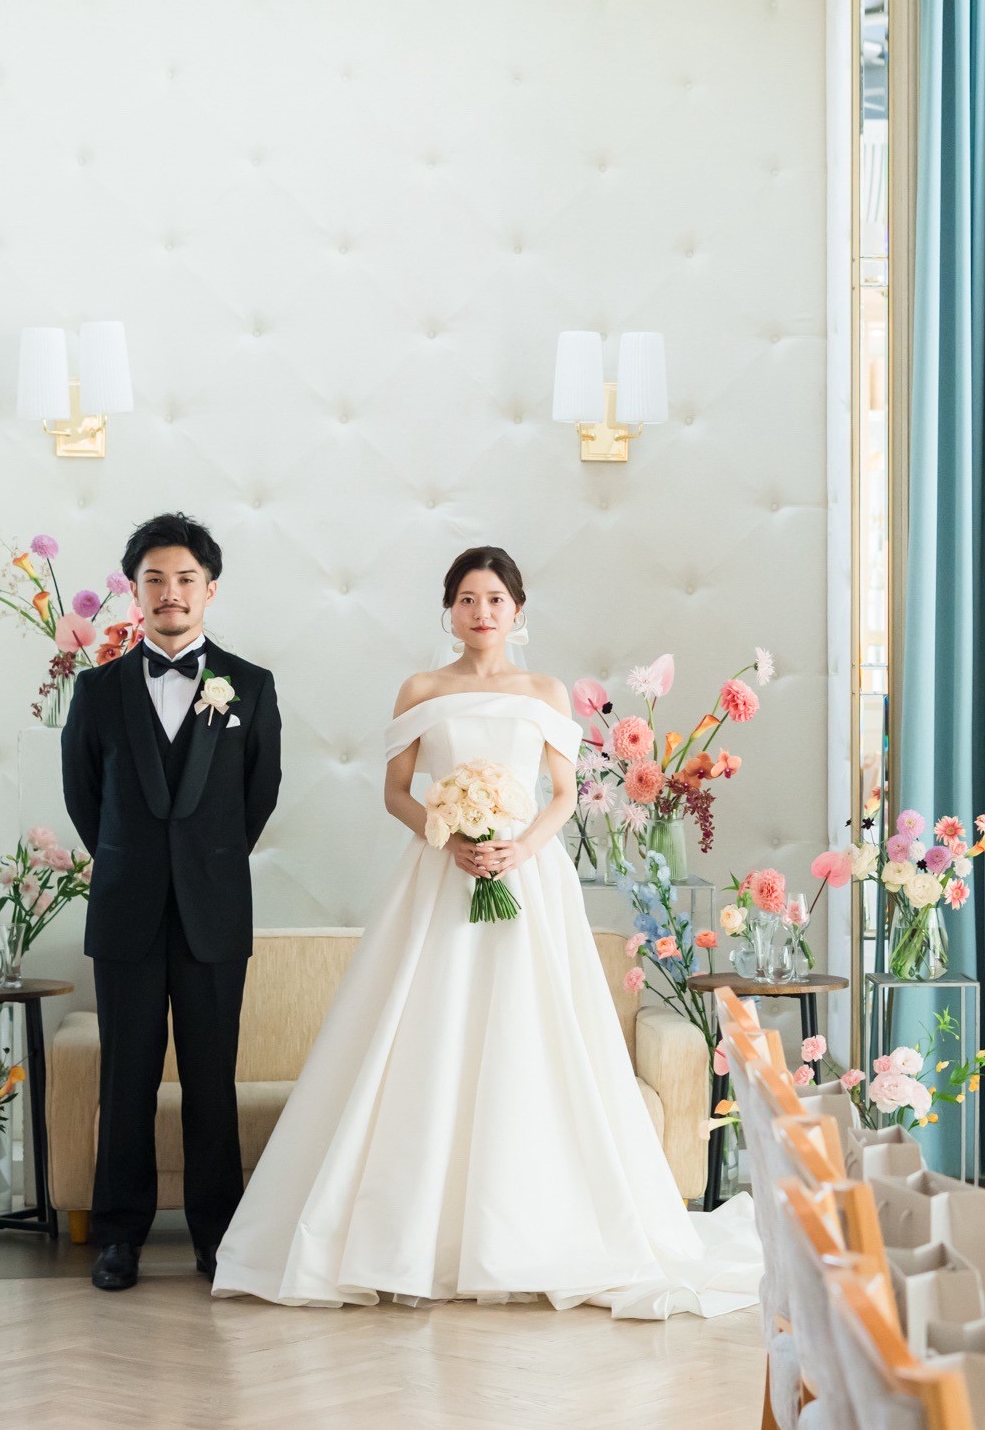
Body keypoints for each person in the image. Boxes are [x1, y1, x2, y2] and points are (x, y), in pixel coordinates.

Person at [210, 546, 756, 1317]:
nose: (482, 611)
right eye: (467, 598)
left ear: (517, 610)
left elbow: (561, 794)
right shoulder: (421, 689)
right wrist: (447, 834)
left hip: (526, 877)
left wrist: (518, 848)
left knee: (531, 1032)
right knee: (429, 1030)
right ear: (450, 610)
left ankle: (525, 1233)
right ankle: (410, 1236)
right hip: (440, 873)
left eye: (495, 598)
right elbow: (396, 791)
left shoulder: (545, 691)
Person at [62, 511, 281, 1291]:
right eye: (154, 578)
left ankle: (217, 1235)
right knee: (125, 1078)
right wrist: (135, 862)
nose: (170, 592)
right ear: (135, 590)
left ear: (210, 589)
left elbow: (258, 795)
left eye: (186, 578)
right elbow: (84, 797)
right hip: (125, 908)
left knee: (211, 1080)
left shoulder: (250, 685)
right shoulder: (97, 689)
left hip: (214, 912)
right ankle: (119, 1237)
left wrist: (204, 862)